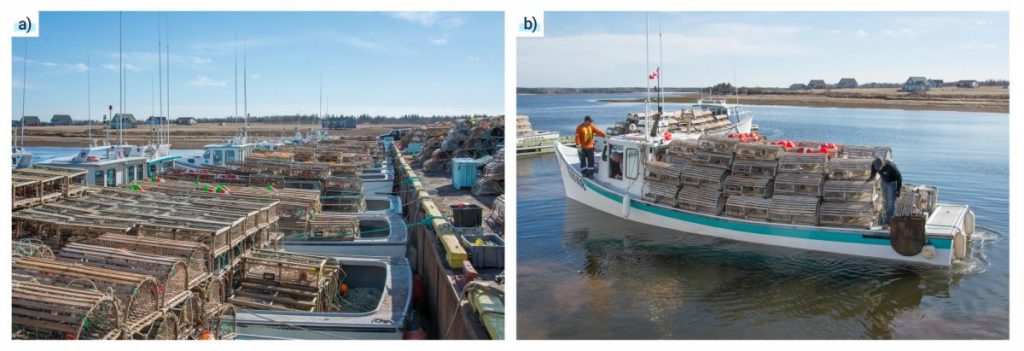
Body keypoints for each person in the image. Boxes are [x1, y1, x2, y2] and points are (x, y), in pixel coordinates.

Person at [867, 157, 903, 225]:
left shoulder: (891, 166)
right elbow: (873, 174)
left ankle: (889, 222)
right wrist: (867, 180)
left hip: (892, 183)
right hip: (883, 183)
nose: (879, 170)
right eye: (877, 168)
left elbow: (899, 177)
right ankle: (891, 217)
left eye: (879, 168)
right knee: (885, 202)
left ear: (883, 164)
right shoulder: (874, 164)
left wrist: (898, 190)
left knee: (891, 203)